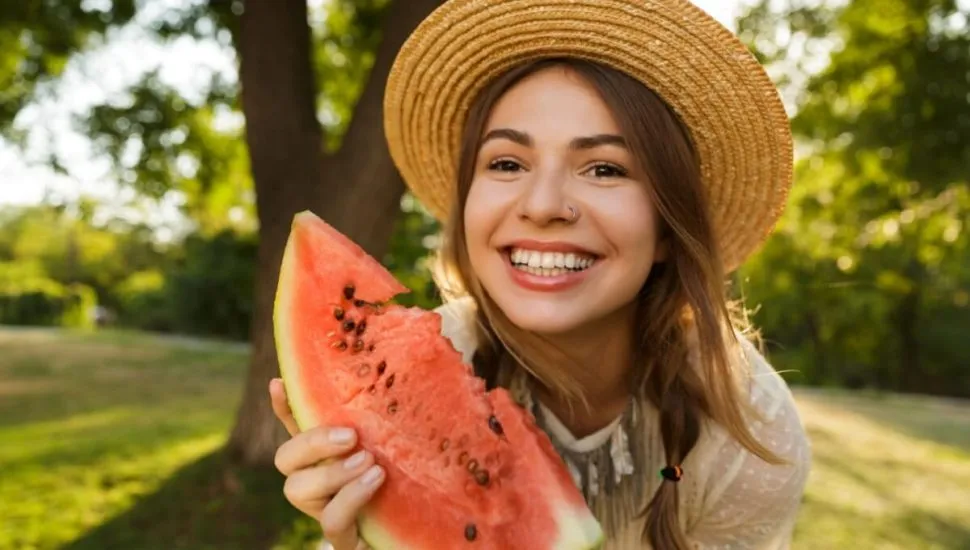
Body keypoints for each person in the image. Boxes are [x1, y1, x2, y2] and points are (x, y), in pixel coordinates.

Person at [267, 0, 813, 548]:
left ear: (668, 230)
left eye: (605, 169)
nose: (544, 205)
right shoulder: (431, 358)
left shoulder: (749, 433)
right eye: (506, 163)